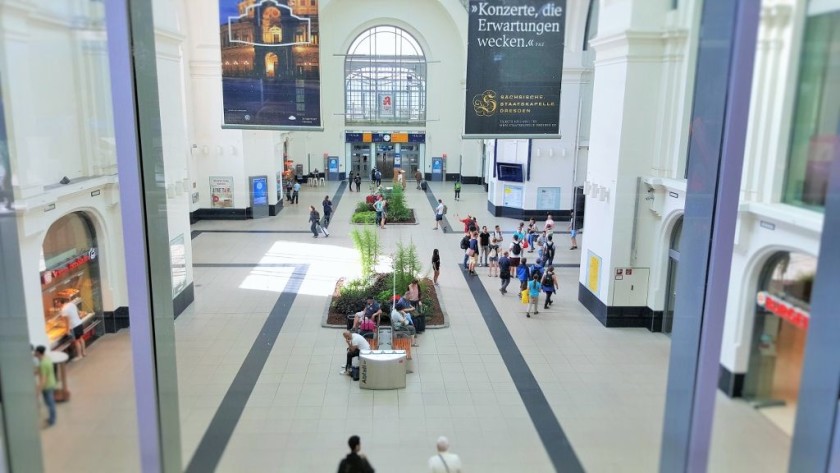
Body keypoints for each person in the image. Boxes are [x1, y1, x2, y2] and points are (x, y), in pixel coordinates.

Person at [34, 346, 57, 427]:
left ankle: (52, 420)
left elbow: (43, 379)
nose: (34, 353)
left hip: (47, 386)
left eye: (35, 352)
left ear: (39, 353)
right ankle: (52, 418)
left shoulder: (43, 363)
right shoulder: (46, 358)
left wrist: (38, 390)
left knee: (50, 403)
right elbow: (40, 370)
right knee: (50, 403)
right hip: (51, 382)